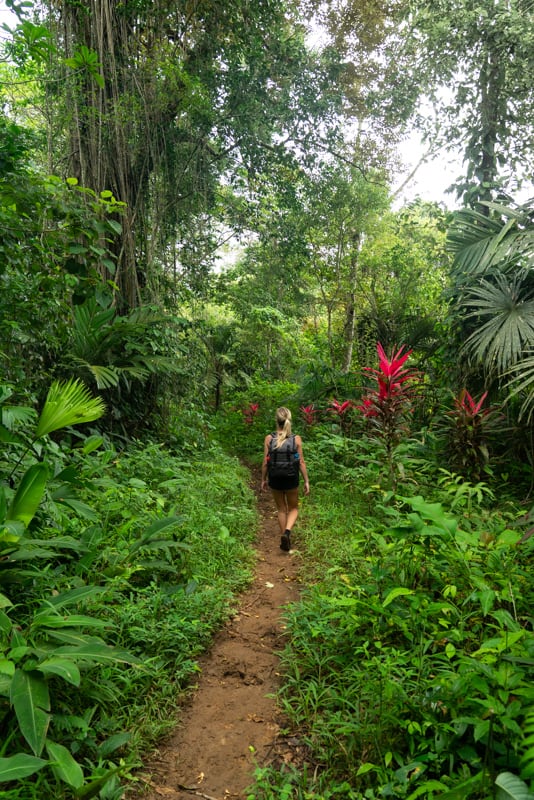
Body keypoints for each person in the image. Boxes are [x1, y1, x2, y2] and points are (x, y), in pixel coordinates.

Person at [261, 407, 310, 552]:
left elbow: (265, 462)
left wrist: (263, 479)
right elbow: (301, 462)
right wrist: (306, 480)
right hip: (291, 477)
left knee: (281, 509)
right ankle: (287, 533)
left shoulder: (269, 439)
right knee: (294, 508)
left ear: (276, 420)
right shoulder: (296, 439)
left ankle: (285, 538)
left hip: (274, 477)